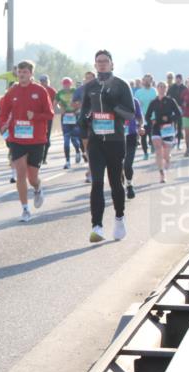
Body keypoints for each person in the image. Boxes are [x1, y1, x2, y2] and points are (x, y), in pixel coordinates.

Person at [78, 50, 135, 242]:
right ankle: (97, 226)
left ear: (112, 64)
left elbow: (130, 114)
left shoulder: (121, 85)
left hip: (115, 141)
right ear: (95, 65)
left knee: (115, 183)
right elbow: (84, 111)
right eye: (98, 61)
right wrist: (85, 119)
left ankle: (119, 217)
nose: (102, 64)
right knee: (97, 183)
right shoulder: (90, 86)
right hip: (96, 142)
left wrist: (114, 105)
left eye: (105, 61)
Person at [0, 61, 54, 222]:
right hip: (17, 138)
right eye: (20, 72)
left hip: (37, 139)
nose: (21, 74)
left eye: (25, 72)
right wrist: (2, 125)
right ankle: (25, 209)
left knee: (32, 178)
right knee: (20, 174)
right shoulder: (12, 92)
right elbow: (3, 112)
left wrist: (35, 116)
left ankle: (37, 188)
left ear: (31, 74)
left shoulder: (40, 91)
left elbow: (49, 114)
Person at [145, 81, 182, 182]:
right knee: (158, 152)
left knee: (165, 155)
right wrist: (152, 121)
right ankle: (162, 173)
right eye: (160, 86)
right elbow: (147, 116)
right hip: (156, 128)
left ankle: (168, 159)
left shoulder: (171, 101)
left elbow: (178, 114)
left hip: (168, 129)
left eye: (163, 86)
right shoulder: (153, 102)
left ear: (166, 88)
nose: (161, 88)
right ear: (157, 88)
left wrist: (170, 119)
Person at [123, 94, 146, 199]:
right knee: (118, 165)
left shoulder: (134, 101)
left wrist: (140, 127)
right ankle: (120, 185)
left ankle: (129, 184)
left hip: (131, 136)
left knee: (127, 164)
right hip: (116, 138)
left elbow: (140, 118)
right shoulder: (112, 101)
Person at [56, 78, 82, 168]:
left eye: (68, 84)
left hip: (75, 116)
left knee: (74, 139)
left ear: (71, 84)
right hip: (65, 117)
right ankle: (67, 161)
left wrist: (77, 109)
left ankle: (78, 151)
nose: (66, 86)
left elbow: (81, 102)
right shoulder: (59, 93)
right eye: (64, 84)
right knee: (66, 139)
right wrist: (60, 108)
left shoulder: (75, 91)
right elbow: (55, 104)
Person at [133, 74, 158, 160]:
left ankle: (152, 145)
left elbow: (158, 103)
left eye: (148, 80)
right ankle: (145, 153)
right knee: (143, 135)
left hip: (152, 116)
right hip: (142, 117)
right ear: (143, 81)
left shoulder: (154, 91)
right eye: (145, 80)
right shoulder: (138, 92)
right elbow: (135, 105)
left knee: (152, 133)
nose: (147, 82)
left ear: (151, 81)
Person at [37, 74, 58, 164]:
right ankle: (38, 157)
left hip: (48, 117)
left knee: (46, 137)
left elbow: (55, 102)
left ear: (48, 81)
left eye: (44, 81)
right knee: (38, 137)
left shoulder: (52, 90)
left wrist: (51, 110)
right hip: (38, 117)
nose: (43, 83)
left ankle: (44, 158)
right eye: (41, 81)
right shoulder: (37, 89)